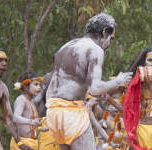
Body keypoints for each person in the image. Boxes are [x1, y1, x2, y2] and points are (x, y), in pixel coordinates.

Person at [45, 13, 132, 150]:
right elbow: (95, 88)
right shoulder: (95, 49)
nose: (109, 43)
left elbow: (54, 79)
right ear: (104, 32)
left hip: (53, 112)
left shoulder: (67, 46)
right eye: (111, 38)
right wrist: (118, 81)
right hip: (71, 113)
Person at [0, 46, 33, 150]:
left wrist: (20, 143)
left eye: (5, 61)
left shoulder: (2, 88)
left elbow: (9, 119)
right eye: (0, 60)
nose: (4, 63)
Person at [11, 72, 43, 150]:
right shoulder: (21, 99)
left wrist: (41, 128)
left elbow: (29, 126)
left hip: (32, 142)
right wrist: (32, 121)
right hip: (22, 143)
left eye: (39, 85)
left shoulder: (31, 103)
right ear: (25, 87)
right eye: (36, 84)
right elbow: (15, 118)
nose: (39, 87)